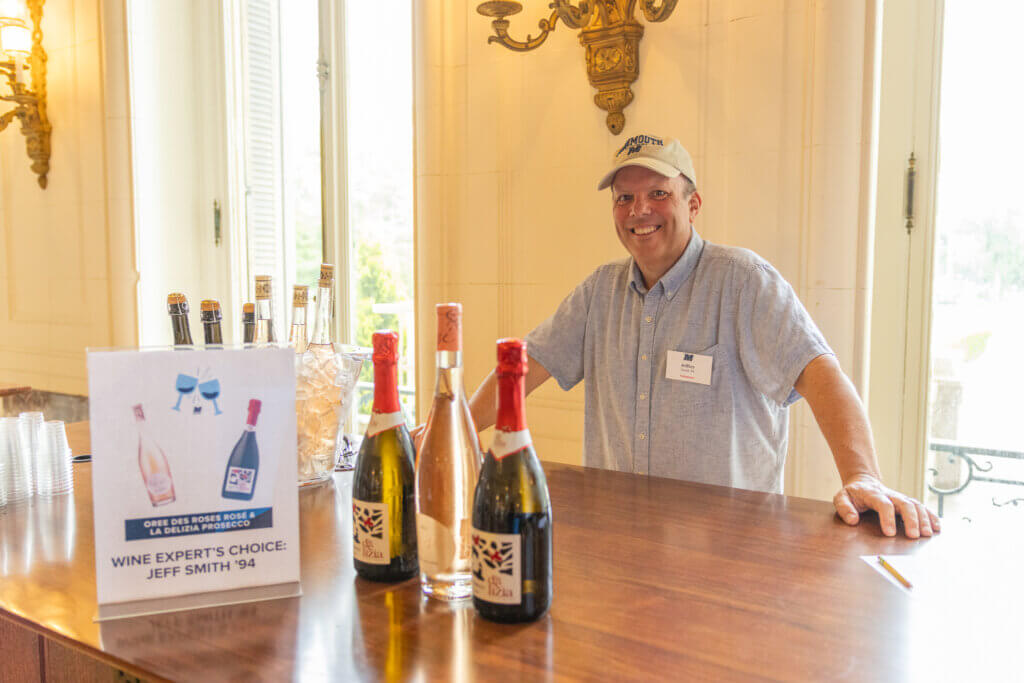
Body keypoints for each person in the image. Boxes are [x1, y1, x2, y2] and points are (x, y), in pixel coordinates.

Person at [450, 133, 938, 539]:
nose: (639, 209)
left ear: (693, 203)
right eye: (624, 198)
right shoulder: (599, 291)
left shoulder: (744, 281)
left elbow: (819, 372)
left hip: (729, 554)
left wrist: (863, 477)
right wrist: (456, 430)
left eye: (658, 193)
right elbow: (525, 366)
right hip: (617, 542)